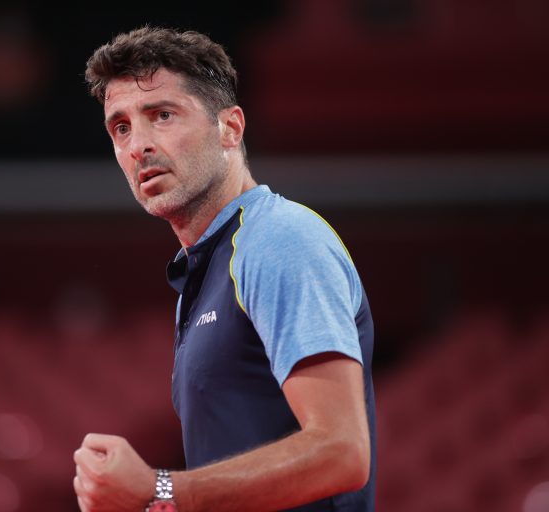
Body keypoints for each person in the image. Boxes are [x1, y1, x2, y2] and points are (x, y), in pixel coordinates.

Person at [74, 26, 376, 512]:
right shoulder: (208, 268)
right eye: (121, 127)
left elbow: (342, 452)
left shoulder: (278, 239)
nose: (138, 145)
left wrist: (161, 489)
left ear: (230, 129)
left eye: (162, 115)